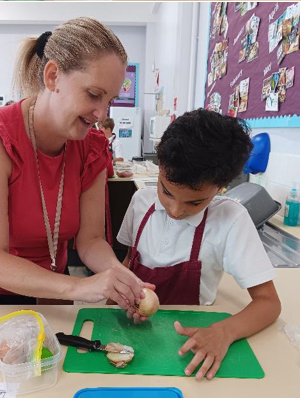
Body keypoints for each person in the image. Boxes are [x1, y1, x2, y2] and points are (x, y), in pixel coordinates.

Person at [0, 18, 154, 313]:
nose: (101, 113)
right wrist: (80, 287)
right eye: (93, 95)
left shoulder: (91, 148)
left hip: (52, 285)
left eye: (110, 100)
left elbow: (91, 240)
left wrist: (119, 277)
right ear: (53, 76)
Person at [118, 109, 280, 380]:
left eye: (195, 202)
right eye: (166, 191)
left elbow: (269, 304)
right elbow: (127, 263)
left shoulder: (230, 220)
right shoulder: (140, 202)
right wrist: (120, 300)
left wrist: (224, 332)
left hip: (194, 342)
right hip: (134, 333)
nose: (175, 210)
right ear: (159, 167)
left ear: (220, 188)